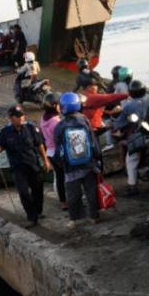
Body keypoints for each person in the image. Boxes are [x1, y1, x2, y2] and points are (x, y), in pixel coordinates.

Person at [0, 104, 52, 228]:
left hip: (33, 165)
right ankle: (31, 217)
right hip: (18, 168)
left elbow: (40, 145)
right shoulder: (5, 132)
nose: (21, 118)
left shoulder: (31, 128)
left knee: (37, 190)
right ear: (10, 118)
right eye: (17, 116)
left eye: (22, 116)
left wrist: (45, 161)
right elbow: (1, 145)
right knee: (23, 192)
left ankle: (38, 211)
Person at [54, 92, 102, 228]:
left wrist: (60, 164)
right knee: (91, 191)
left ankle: (74, 219)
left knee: (73, 194)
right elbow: (93, 141)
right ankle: (94, 216)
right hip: (88, 164)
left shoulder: (60, 126)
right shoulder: (84, 120)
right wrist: (97, 157)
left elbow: (58, 148)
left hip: (71, 167)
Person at [112, 80, 149, 196]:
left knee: (131, 159)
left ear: (131, 92)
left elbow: (118, 124)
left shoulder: (129, 106)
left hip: (139, 136)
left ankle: (133, 186)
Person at [81, 79, 128, 146]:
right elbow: (110, 97)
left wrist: (110, 112)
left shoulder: (83, 95)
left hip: (85, 125)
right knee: (96, 151)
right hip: (92, 128)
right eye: (95, 86)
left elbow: (91, 109)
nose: (97, 87)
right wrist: (127, 95)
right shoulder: (92, 97)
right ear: (89, 87)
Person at [40, 92, 66, 210]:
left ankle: (62, 201)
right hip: (58, 152)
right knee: (65, 177)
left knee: (58, 177)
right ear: (55, 106)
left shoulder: (44, 118)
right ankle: (67, 200)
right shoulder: (56, 122)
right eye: (60, 104)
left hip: (50, 152)